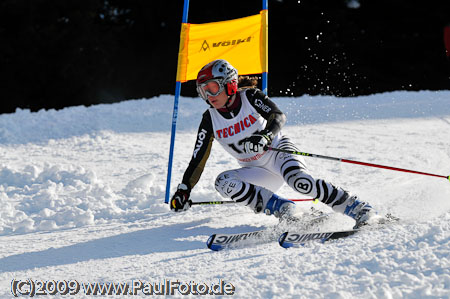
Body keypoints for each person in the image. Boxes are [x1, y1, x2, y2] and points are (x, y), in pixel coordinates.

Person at [170, 59, 380, 228]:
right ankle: (286, 210)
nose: (209, 95)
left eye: (213, 88)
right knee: (223, 182)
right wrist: (184, 190)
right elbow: (198, 159)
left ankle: (359, 208)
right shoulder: (210, 119)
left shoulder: (250, 97)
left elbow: (278, 116)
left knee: (301, 183)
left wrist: (265, 136)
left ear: (229, 83)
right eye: (203, 91)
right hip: (256, 171)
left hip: (279, 153)